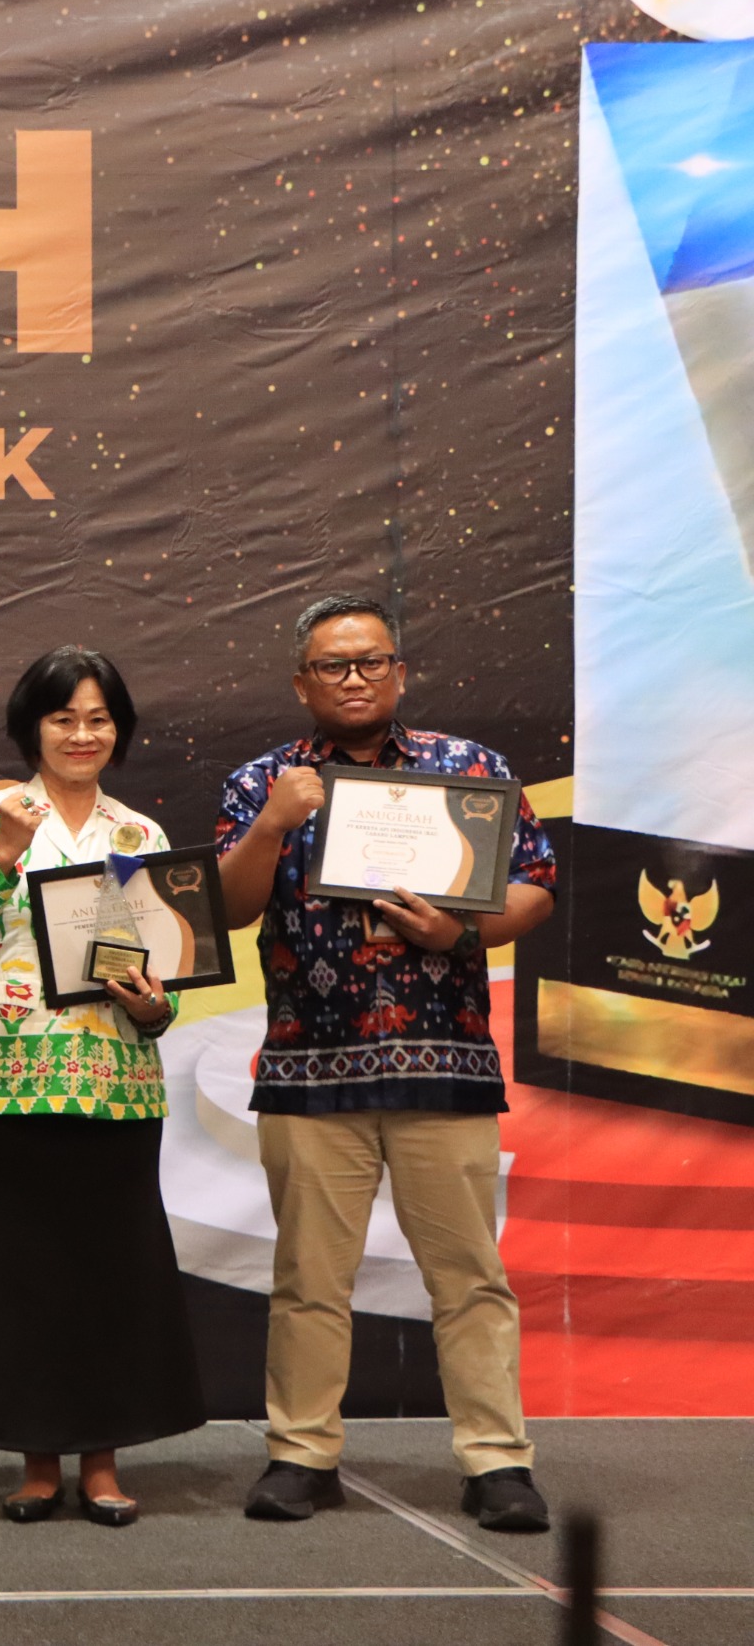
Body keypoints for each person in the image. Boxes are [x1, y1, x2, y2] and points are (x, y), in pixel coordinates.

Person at [216, 594, 558, 1535]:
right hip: (308, 1069)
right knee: (308, 1280)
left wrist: (461, 931)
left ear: (400, 673)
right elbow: (229, 909)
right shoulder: (263, 781)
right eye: (334, 665)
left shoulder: (470, 770)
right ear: (302, 683)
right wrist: (272, 825)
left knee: (469, 1276)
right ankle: (301, 1454)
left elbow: (536, 884)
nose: (355, 678)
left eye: (372, 661)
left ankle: (497, 1461)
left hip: (445, 1065)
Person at [0, 646, 205, 1527]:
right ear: (31, 728)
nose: (82, 735)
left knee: (112, 1276)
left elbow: (169, 982)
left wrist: (153, 1005)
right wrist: (4, 857)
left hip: (116, 1088)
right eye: (63, 718)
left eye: (98, 720)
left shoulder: (140, 835)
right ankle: (38, 1462)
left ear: (118, 730)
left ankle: (104, 1462)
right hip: (4, 1088)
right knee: (21, 1277)